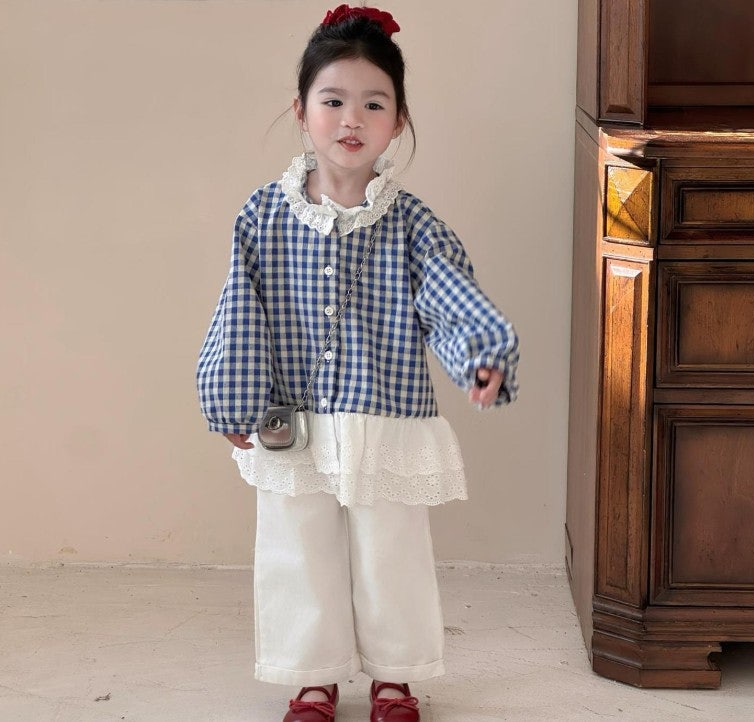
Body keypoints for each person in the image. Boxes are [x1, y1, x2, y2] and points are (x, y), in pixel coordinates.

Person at [196, 5, 519, 721]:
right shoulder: (263, 216)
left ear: (398, 121)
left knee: (391, 551)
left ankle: (395, 677)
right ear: (302, 109)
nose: (352, 118)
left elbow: (449, 297)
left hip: (385, 416)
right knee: (297, 547)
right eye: (333, 100)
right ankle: (312, 678)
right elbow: (239, 310)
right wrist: (232, 401)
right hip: (291, 419)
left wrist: (480, 356)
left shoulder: (412, 224)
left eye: (374, 103)